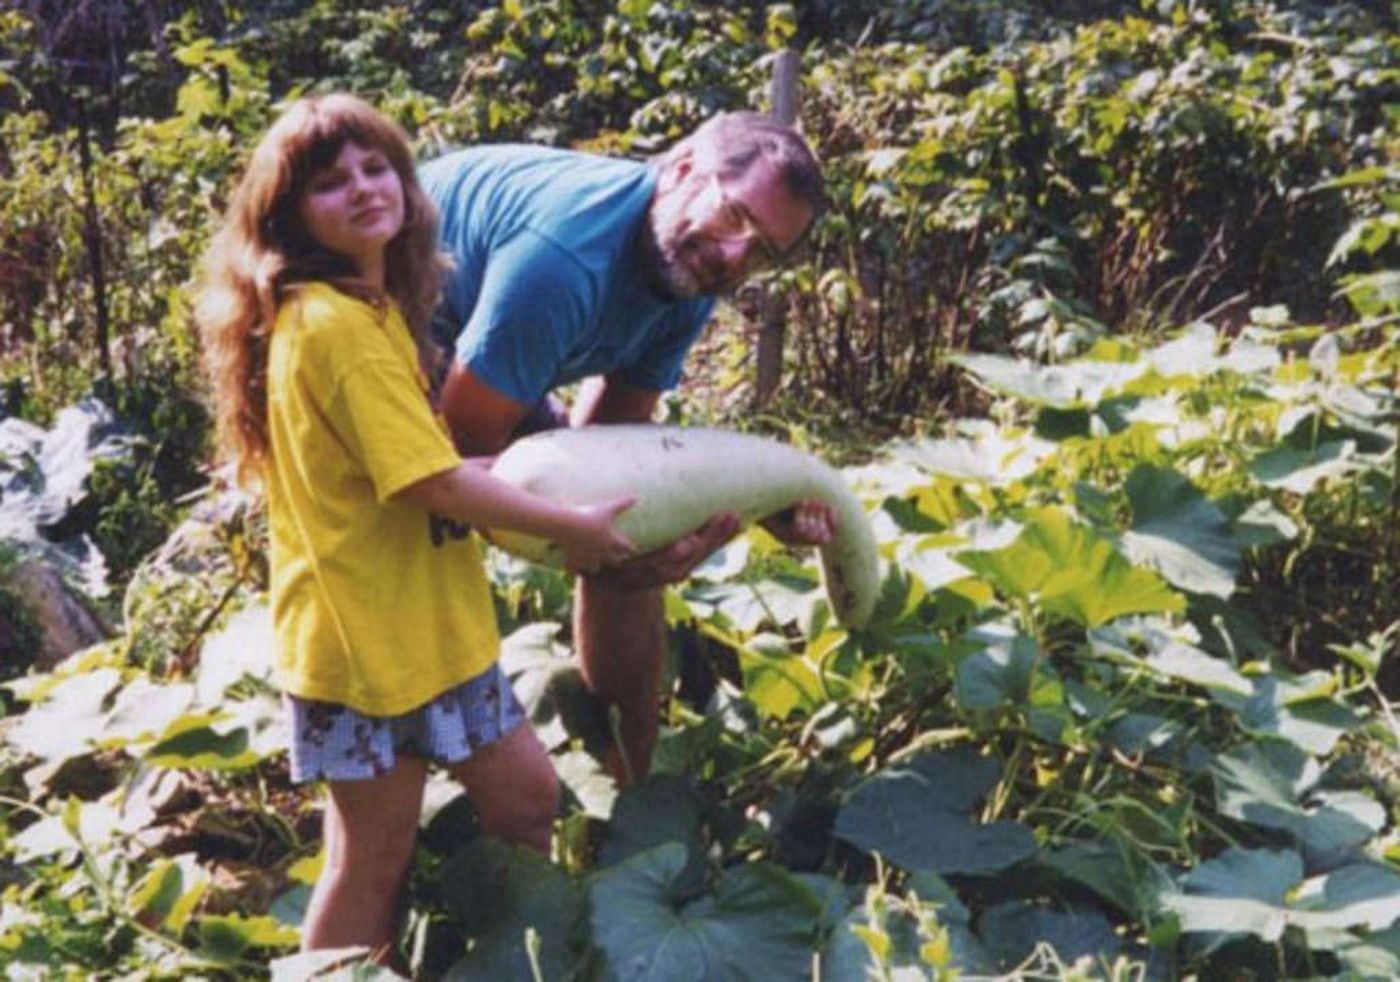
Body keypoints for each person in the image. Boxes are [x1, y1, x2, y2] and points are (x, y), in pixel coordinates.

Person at [195, 93, 636, 968]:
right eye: (330, 183)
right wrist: (570, 530)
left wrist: (531, 485)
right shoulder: (332, 328)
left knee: (527, 802)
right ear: (289, 218)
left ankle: (519, 959)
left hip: (431, 634)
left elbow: (419, 469)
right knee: (371, 863)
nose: (363, 190)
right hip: (368, 654)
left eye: (375, 167)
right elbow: (430, 483)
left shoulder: (368, 308)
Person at [419, 112, 835, 785]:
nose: (735, 257)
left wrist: (758, 505)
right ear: (679, 171)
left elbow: (612, 451)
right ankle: (451, 769)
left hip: (483, 347)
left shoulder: (689, 276)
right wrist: (575, 531)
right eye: (733, 216)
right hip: (378, 324)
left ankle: (630, 789)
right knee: (429, 538)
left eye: (762, 251)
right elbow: (460, 465)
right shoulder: (564, 260)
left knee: (630, 547)